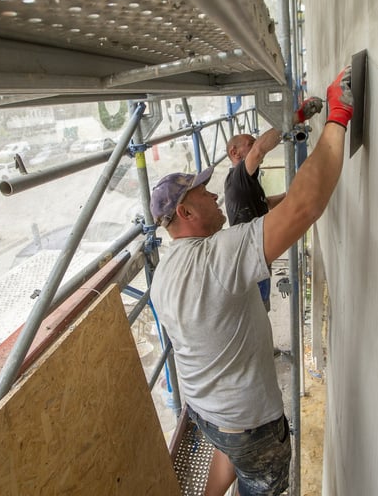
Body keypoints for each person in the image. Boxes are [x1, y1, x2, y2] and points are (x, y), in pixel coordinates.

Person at [148, 64, 354, 496]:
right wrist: (337, 116)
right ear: (185, 213)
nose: (214, 193)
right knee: (258, 481)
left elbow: (281, 206)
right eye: (202, 193)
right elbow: (304, 209)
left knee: (229, 451)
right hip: (250, 423)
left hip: (206, 410)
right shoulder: (216, 258)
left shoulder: (165, 270)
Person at [224, 96, 323, 312]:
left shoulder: (246, 184)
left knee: (262, 310)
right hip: (251, 262)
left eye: (252, 143)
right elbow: (259, 149)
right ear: (235, 153)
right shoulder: (237, 179)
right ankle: (261, 346)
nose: (254, 149)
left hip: (257, 261)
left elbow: (265, 203)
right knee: (257, 313)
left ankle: (264, 344)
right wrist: (298, 116)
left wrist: (291, 194)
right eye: (248, 144)